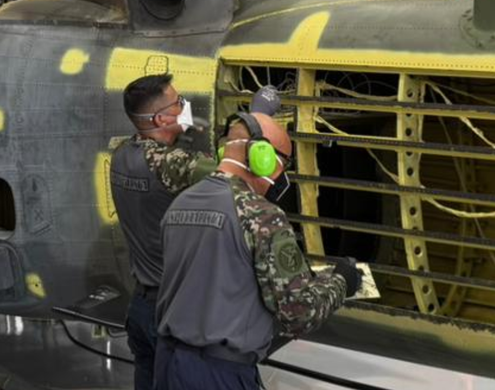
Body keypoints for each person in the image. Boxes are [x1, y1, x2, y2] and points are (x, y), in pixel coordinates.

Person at [154, 112, 362, 389]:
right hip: (220, 373)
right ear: (262, 157)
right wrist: (341, 281)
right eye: (282, 165)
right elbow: (299, 313)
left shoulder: (181, 203)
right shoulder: (261, 215)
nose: (280, 176)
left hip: (167, 363)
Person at [110, 74, 216, 390]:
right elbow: (235, 173)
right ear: (161, 118)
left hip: (142, 306)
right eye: (178, 103)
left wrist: (181, 137)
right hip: (173, 311)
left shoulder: (121, 154)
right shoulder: (172, 164)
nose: (185, 106)